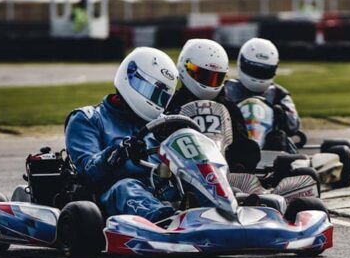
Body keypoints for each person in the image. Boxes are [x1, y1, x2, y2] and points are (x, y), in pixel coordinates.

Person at [65, 47, 180, 222]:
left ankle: (223, 211)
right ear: (131, 78)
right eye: (151, 92)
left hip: (160, 189)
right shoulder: (88, 118)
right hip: (111, 195)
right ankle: (165, 222)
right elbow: (87, 172)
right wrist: (118, 153)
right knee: (127, 187)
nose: (155, 103)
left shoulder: (164, 124)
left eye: (161, 98)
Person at [168, 38, 260, 172]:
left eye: (216, 78)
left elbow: (244, 147)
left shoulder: (228, 108)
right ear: (186, 67)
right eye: (204, 76)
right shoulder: (172, 106)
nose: (210, 83)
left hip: (223, 177)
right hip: (180, 174)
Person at [223, 38, 300, 151]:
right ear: (242, 63)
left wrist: (281, 115)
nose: (257, 76)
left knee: (280, 138)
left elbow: (293, 126)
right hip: (234, 146)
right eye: (254, 70)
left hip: (271, 149)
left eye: (264, 72)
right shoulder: (226, 89)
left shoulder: (279, 94)